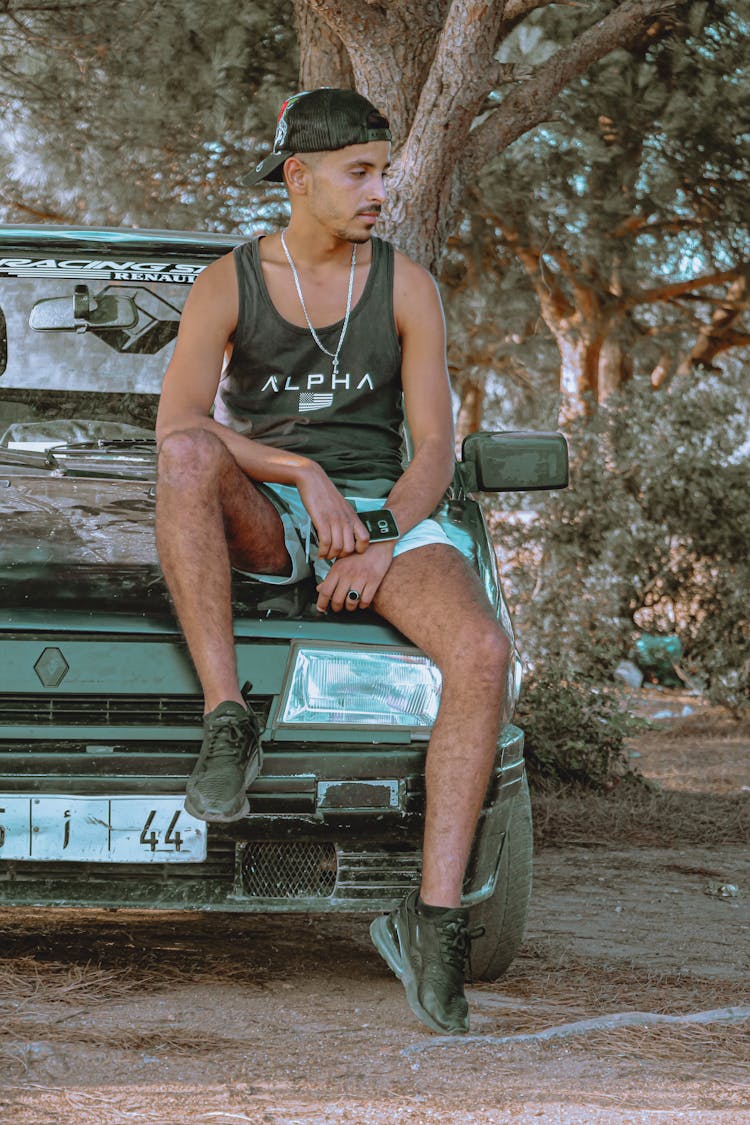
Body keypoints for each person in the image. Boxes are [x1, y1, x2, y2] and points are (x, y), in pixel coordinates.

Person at [155, 88, 510, 1036]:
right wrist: (301, 470)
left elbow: (433, 447)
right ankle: (228, 720)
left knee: (480, 652)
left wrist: (386, 531)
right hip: (270, 505)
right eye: (361, 173)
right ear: (297, 178)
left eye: (384, 171)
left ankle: (432, 924)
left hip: (383, 513)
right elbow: (181, 425)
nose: (380, 191)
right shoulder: (228, 284)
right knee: (190, 456)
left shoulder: (406, 285)